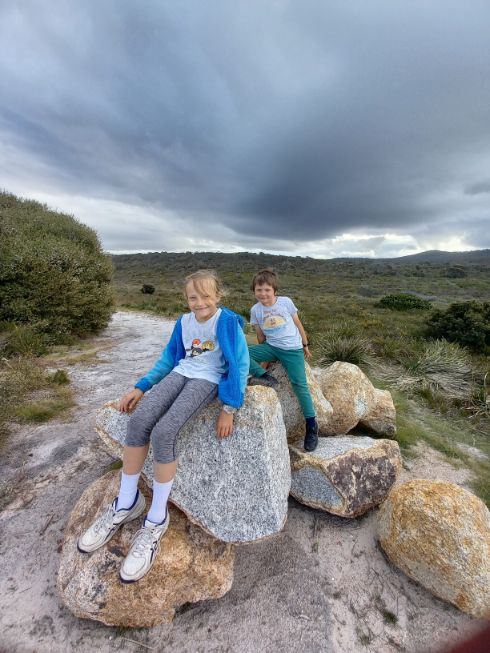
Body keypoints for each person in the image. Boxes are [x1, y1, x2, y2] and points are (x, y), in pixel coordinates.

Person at [78, 270, 249, 582]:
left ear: (218, 296)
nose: (200, 303)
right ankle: (127, 502)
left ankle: (156, 519)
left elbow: (240, 363)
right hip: (182, 372)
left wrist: (230, 407)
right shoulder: (184, 323)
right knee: (140, 421)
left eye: (206, 296)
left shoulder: (227, 322)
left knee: (164, 431)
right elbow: (170, 359)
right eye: (193, 297)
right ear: (187, 299)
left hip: (207, 379)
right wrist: (141, 387)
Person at [248, 269, 318, 452]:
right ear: (254, 291)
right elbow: (260, 336)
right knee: (240, 354)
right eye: (258, 290)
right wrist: (263, 362)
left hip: (292, 349)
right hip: (272, 348)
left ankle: (311, 424)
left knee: (299, 384)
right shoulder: (255, 310)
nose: (263, 294)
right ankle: (264, 376)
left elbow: (298, 323)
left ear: (274, 290)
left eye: (266, 290)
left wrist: (305, 344)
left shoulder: (285, 302)